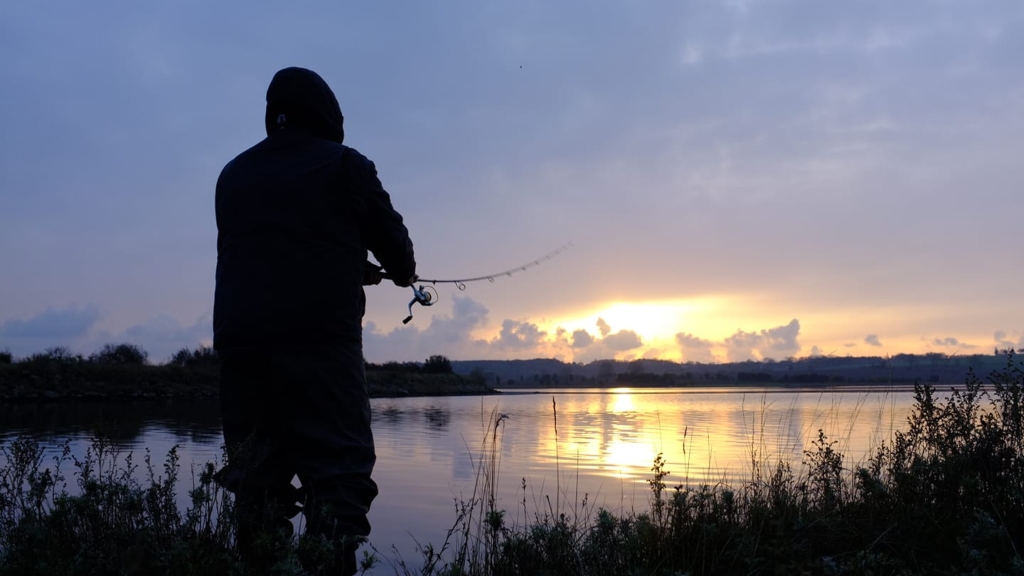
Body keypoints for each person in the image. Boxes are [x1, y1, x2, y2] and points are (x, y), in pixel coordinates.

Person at [212, 66, 416, 575]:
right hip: (321, 352)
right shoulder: (346, 166)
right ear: (328, 115)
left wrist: (348, 263)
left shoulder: (231, 176)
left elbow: (280, 249)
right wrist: (386, 270)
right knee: (338, 485)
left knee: (257, 485)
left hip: (240, 357)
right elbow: (401, 258)